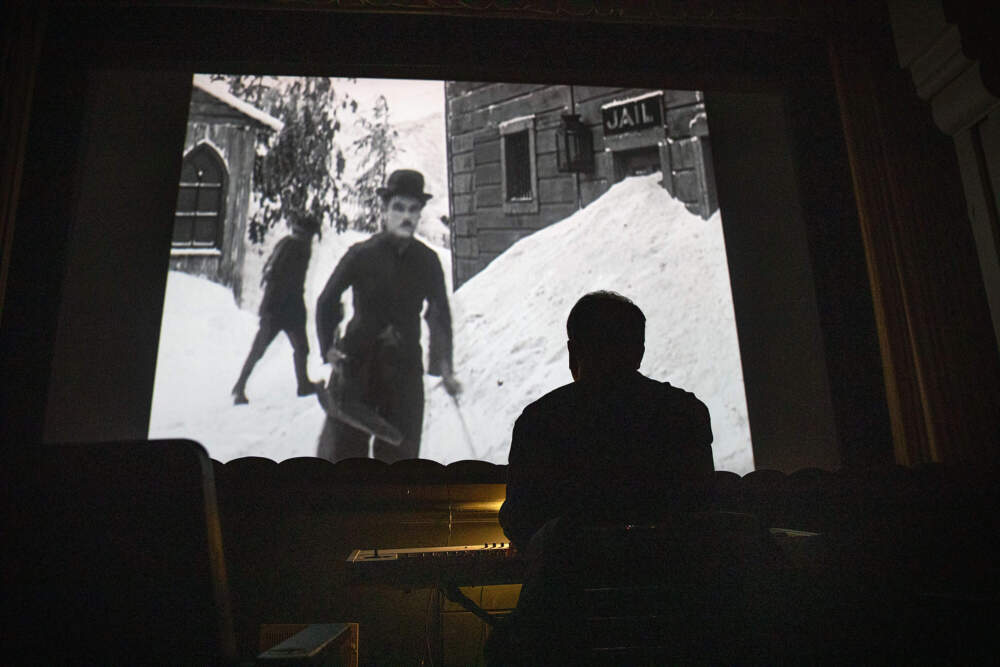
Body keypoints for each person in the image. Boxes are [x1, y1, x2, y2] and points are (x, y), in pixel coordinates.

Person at [486, 290, 714, 666]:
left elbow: (521, 521)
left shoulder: (540, 421)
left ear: (573, 350)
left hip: (566, 636)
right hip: (678, 629)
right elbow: (702, 509)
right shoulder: (685, 413)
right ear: (639, 351)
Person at [315, 169, 461, 463]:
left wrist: (444, 366)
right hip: (357, 370)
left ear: (420, 214)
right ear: (384, 211)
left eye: (413, 209)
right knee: (342, 458)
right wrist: (328, 348)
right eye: (398, 208)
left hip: (404, 373)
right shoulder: (361, 255)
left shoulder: (428, 261)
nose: (406, 216)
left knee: (401, 460)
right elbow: (327, 301)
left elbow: (439, 315)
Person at [231, 213, 321, 405]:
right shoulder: (299, 247)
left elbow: (270, 273)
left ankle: (241, 385)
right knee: (296, 348)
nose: (313, 239)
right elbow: (284, 279)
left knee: (274, 349)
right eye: (312, 235)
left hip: (277, 306)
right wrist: (291, 306)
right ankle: (302, 385)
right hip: (285, 308)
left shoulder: (286, 243)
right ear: (308, 233)